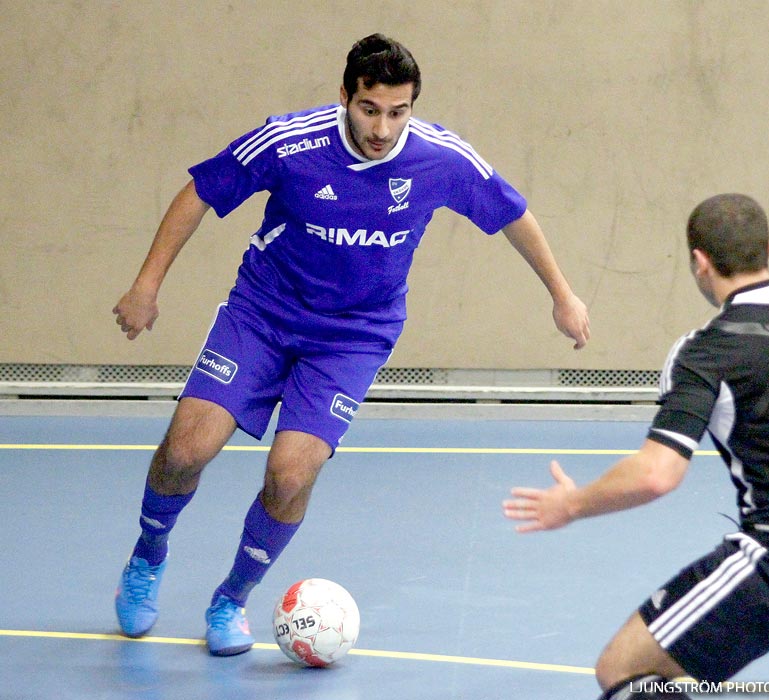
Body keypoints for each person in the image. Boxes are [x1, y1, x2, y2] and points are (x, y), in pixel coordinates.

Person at [112, 33, 590, 657]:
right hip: (261, 315)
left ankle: (231, 599)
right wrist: (146, 286)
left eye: (398, 111)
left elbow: (512, 215)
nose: (383, 127)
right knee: (185, 450)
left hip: (353, 336)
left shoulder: (441, 159)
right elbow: (200, 192)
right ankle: (148, 556)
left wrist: (563, 294)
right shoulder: (288, 142)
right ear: (345, 96)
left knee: (290, 474)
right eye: (369, 108)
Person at [503, 193, 769, 699]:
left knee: (622, 669)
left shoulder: (708, 351)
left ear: (699, 263)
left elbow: (656, 473)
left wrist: (571, 503)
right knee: (680, 674)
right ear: (767, 249)